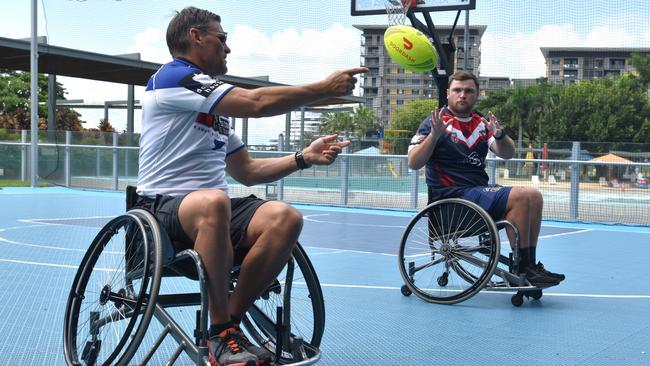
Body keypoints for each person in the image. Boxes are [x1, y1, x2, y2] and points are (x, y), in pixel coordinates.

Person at [135, 6, 366, 366]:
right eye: (222, 39)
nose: (228, 49)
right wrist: (323, 88)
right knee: (214, 201)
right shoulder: (175, 78)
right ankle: (222, 330)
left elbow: (247, 170)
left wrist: (302, 157)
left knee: (284, 217)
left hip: (213, 213)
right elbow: (256, 103)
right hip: (163, 211)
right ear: (195, 36)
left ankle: (227, 327)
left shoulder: (216, 110)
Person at [407, 70, 565, 288]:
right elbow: (413, 162)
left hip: (478, 194)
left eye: (469, 91)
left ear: (477, 94)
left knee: (534, 196)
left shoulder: (481, 123)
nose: (463, 95)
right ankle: (522, 268)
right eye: (457, 90)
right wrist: (434, 136)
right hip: (451, 199)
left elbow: (507, 153)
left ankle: (529, 265)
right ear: (448, 93)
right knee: (521, 196)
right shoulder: (433, 123)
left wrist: (500, 135)